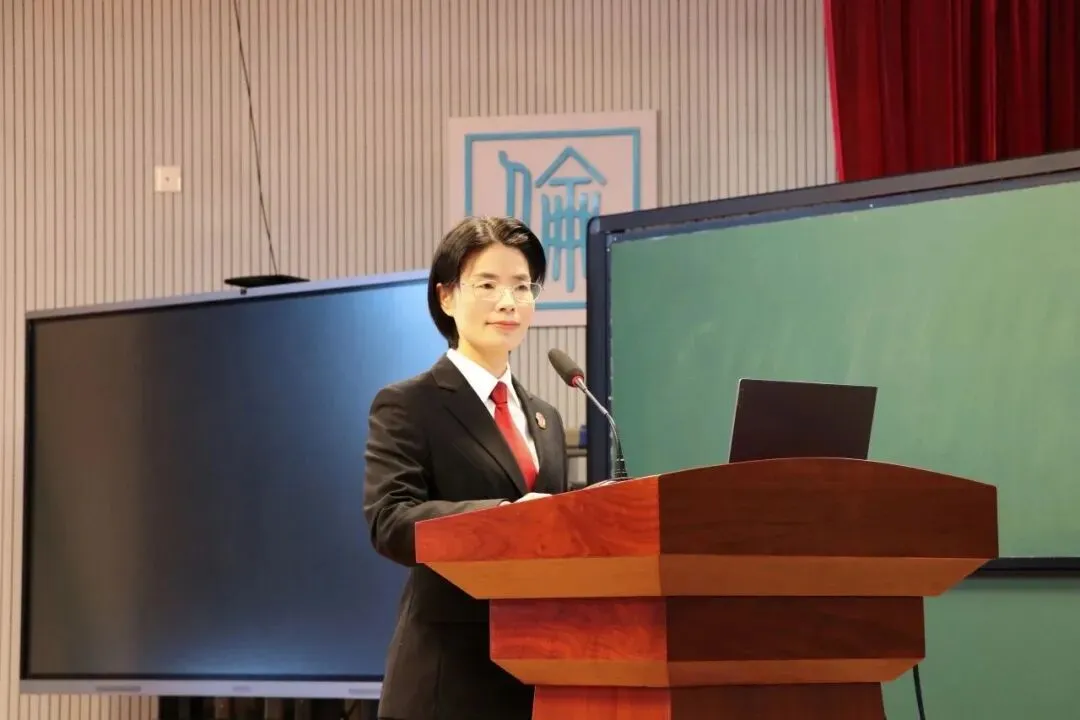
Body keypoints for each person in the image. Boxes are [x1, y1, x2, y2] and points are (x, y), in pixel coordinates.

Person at [363, 216, 570, 720]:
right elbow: (390, 521)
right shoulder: (409, 404)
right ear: (447, 297)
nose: (509, 301)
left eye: (522, 286)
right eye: (488, 284)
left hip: (537, 678)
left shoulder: (546, 418)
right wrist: (505, 517)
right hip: (445, 683)